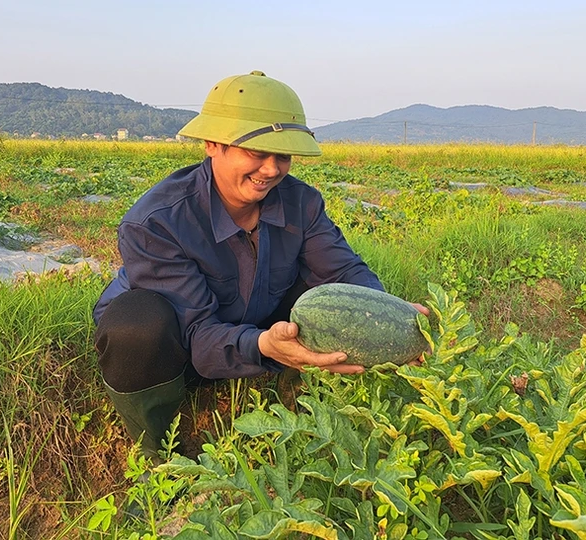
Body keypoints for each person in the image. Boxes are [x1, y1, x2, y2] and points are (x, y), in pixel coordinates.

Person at [93, 70, 425, 458]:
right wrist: (264, 344)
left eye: (282, 155)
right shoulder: (156, 222)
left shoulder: (303, 203)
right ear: (212, 144)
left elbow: (344, 273)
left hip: (257, 330)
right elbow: (198, 333)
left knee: (322, 294)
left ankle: (292, 387)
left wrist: (394, 322)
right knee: (136, 325)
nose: (271, 169)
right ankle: (157, 455)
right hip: (181, 348)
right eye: (256, 152)